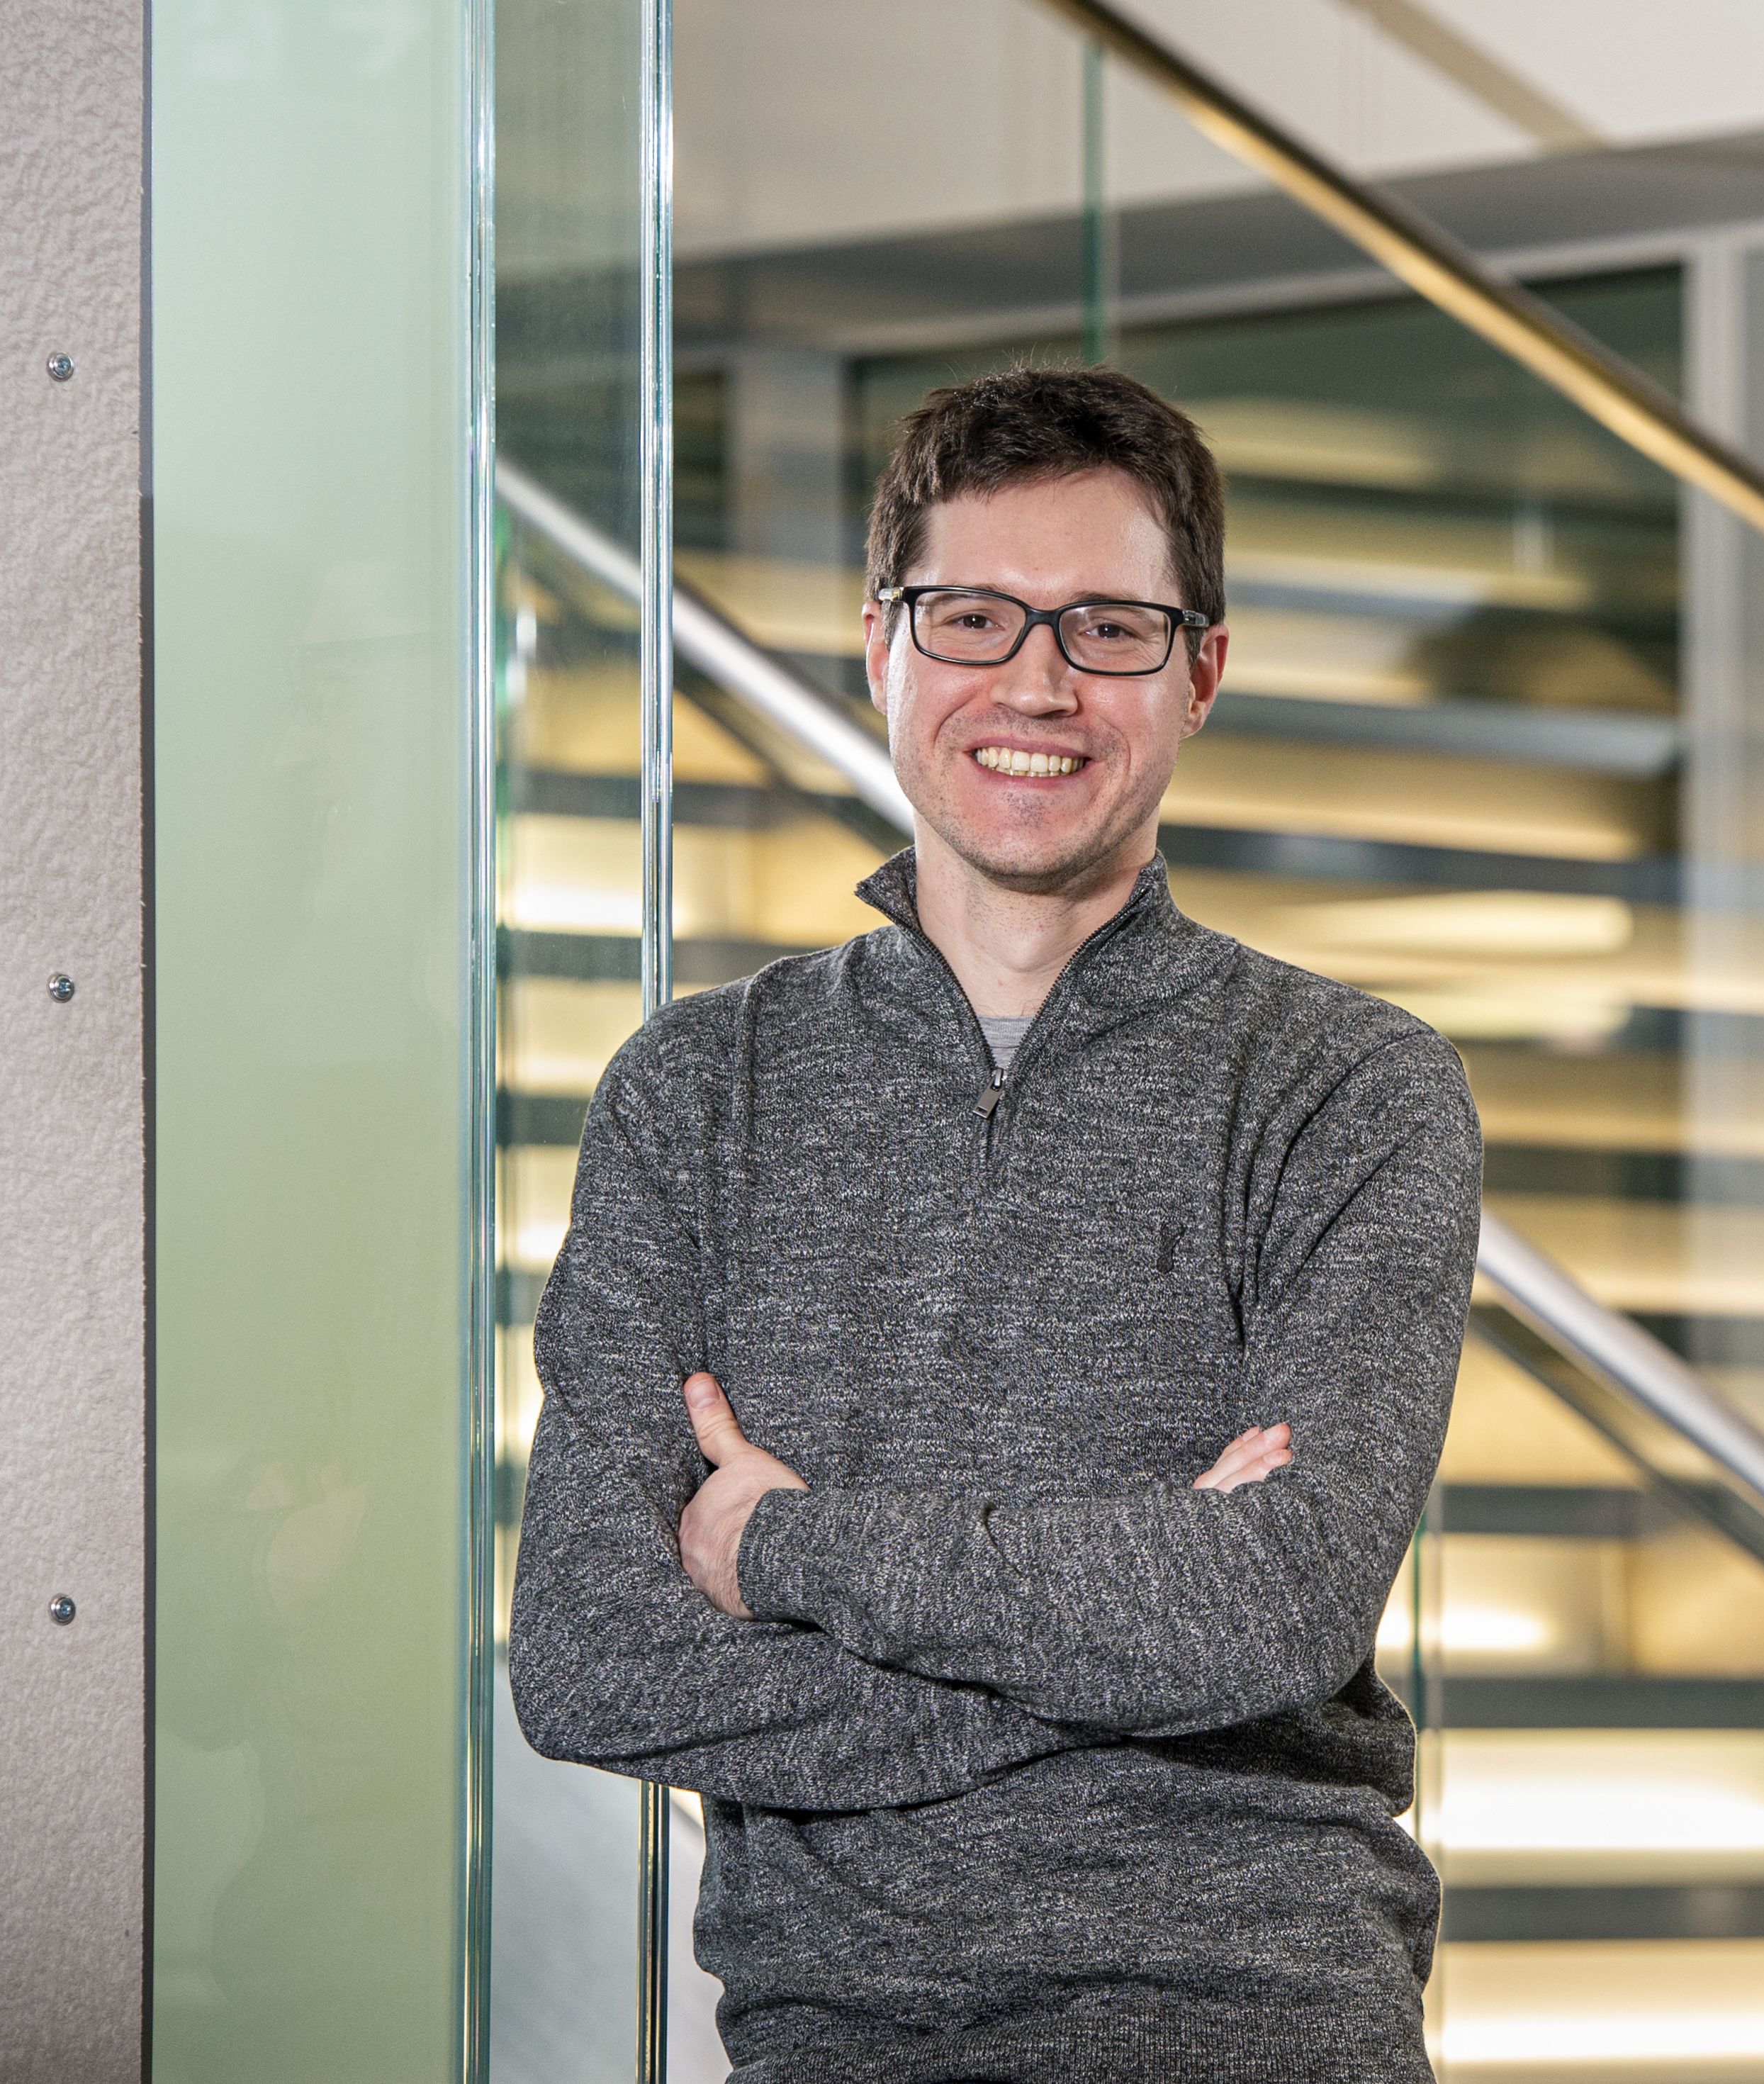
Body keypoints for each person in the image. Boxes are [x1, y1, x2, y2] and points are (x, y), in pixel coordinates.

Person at [508, 365, 1481, 2084]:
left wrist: (783, 1556)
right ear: (879, 649)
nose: (1035, 681)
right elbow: (592, 1661)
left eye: (1109, 626)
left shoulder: (1356, 1088)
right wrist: (1135, 1631)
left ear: (1200, 674)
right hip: (835, 2040)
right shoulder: (696, 1093)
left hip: (1252, 2031)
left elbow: (1276, 1615)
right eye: (972, 617)